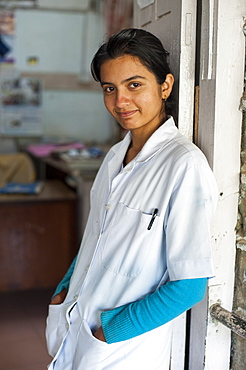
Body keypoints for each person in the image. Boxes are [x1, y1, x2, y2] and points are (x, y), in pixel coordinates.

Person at [46, 28, 218, 370]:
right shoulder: (114, 157)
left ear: (164, 86)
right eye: (110, 89)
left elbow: (189, 286)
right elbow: (96, 236)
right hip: (75, 323)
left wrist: (109, 331)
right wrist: (64, 291)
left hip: (121, 350)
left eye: (134, 85)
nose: (120, 101)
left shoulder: (184, 165)